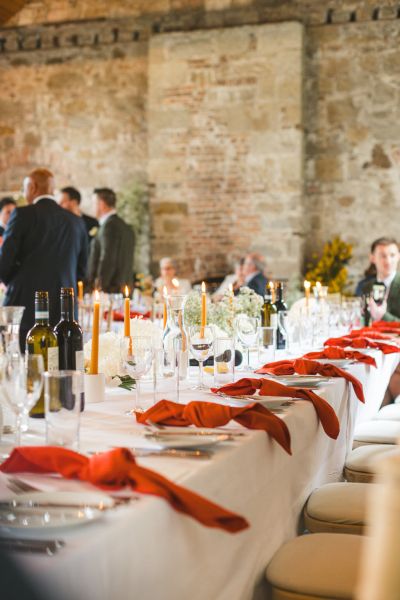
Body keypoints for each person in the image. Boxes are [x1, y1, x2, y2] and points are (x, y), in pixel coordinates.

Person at [0, 168, 88, 348]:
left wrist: (16, 281)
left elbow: (4, 264)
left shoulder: (22, 214)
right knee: (64, 366)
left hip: (25, 308)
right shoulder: (76, 221)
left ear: (32, 187)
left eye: (24, 188)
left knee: (24, 366)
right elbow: (81, 270)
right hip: (65, 312)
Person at [87, 187, 135, 293]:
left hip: (110, 290)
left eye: (93, 203)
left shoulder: (109, 226)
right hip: (123, 288)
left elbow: (108, 258)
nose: (91, 207)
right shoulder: (125, 226)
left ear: (101, 204)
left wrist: (99, 287)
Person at [357, 237, 400, 322]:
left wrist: (383, 316)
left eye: (392, 255)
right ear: (372, 258)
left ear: (398, 256)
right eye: (383, 256)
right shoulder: (365, 287)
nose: (388, 261)